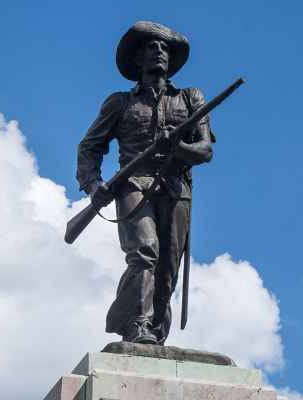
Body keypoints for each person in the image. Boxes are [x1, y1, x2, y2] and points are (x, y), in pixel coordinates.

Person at [76, 21, 214, 345]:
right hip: (133, 184)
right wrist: (94, 186)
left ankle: (154, 329)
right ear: (138, 59)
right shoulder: (120, 103)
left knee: (167, 269)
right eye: (151, 46)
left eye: (164, 47)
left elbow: (205, 150)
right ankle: (137, 324)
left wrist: (176, 148)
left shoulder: (191, 99)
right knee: (144, 251)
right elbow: (89, 147)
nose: (159, 51)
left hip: (176, 188)